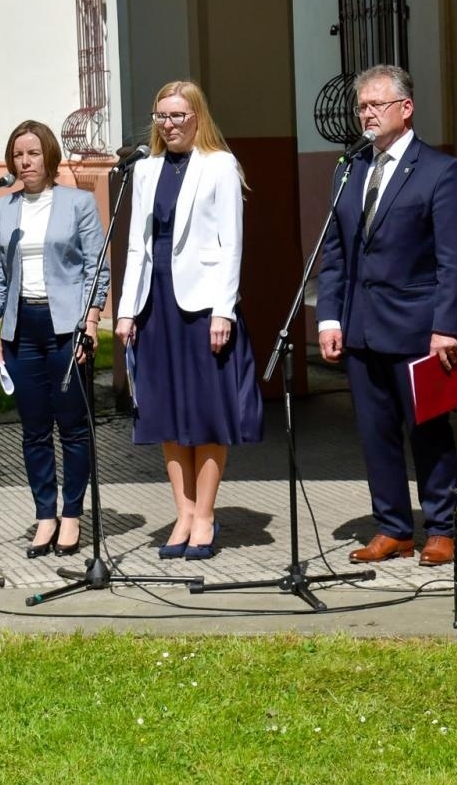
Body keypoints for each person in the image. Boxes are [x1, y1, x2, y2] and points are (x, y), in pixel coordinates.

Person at [316, 64, 457, 567]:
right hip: (360, 325)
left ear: (405, 109)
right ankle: (392, 527)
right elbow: (337, 251)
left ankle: (442, 527)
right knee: (374, 432)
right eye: (361, 106)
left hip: (418, 327)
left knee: (426, 429)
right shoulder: (350, 169)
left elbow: (456, 259)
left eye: (376, 105)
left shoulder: (440, 171)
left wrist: (447, 327)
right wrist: (329, 318)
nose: (366, 114)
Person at [115, 81, 263, 562]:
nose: (170, 124)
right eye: (162, 116)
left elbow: (231, 242)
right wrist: (126, 309)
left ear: (198, 117)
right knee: (166, 412)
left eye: (178, 115)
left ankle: (205, 515)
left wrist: (224, 309)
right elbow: (137, 243)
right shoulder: (145, 170)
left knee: (205, 411)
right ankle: (182, 512)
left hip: (202, 306)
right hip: (155, 302)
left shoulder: (219, 164)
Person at [0, 121, 109, 559]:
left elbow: (97, 269)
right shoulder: (2, 208)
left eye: (33, 153)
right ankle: (45, 515)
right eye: (18, 155)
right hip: (23, 330)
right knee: (35, 430)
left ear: (49, 156)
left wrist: (90, 325)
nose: (25, 162)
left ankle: (72, 514)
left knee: (72, 427)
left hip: (66, 327)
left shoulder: (78, 204)